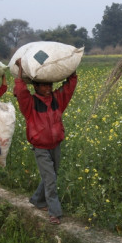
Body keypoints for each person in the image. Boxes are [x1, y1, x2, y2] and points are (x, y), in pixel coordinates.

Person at [13, 58, 77, 225]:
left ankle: (37, 200)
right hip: (40, 147)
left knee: (51, 175)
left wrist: (71, 66)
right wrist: (20, 67)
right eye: (44, 86)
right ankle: (54, 212)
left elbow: (69, 86)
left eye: (50, 85)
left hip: (55, 145)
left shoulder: (58, 99)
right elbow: (20, 90)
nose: (48, 88)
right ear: (35, 86)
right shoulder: (30, 103)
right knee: (50, 179)